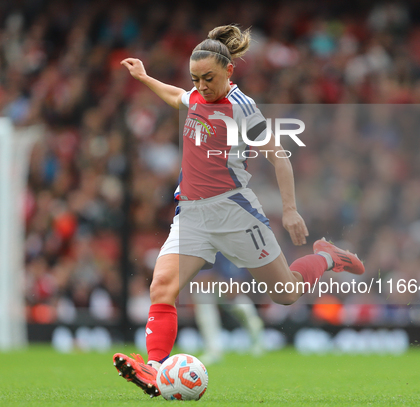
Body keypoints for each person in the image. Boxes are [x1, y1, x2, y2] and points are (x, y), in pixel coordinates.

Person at [113, 25, 365, 397]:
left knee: (286, 293)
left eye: (209, 78)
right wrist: (144, 76)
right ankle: (153, 368)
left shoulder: (243, 107)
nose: (202, 86)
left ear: (229, 71)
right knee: (162, 287)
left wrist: (291, 211)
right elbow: (177, 97)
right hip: (192, 215)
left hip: (235, 212)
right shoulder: (196, 96)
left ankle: (327, 256)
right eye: (196, 79)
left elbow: (280, 158)